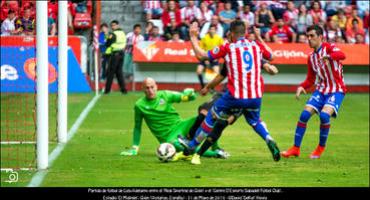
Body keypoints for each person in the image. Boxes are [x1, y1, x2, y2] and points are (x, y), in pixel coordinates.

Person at [182, 20, 280, 165]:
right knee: (254, 120)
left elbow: (201, 55)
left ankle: (192, 145)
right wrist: (259, 38)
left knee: (211, 115)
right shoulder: (256, 45)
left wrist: (193, 37)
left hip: (235, 95)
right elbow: (272, 56)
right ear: (245, 32)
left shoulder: (228, 47)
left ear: (232, 33)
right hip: (255, 96)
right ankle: (268, 138)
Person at [119, 77, 228, 159]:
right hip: (169, 137)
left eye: (152, 87)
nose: (150, 90)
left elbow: (188, 98)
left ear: (156, 86)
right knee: (180, 146)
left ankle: (215, 147)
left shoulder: (165, 95)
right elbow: (137, 127)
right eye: (147, 88)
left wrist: (189, 93)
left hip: (181, 126)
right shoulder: (139, 105)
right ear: (142, 89)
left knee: (208, 120)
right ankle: (215, 154)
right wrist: (134, 147)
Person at [281, 25, 346, 159]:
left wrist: (329, 57)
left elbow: (342, 55)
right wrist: (301, 86)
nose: (309, 39)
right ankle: (295, 148)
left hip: (336, 90)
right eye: (308, 36)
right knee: (304, 115)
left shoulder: (329, 47)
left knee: (324, 116)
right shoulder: (311, 57)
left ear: (320, 37)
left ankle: (320, 147)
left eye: (312, 36)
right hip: (321, 90)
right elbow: (310, 79)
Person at [104, 20, 128, 94]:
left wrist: (107, 36)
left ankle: (107, 90)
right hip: (122, 53)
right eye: (112, 25)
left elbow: (107, 44)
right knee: (119, 72)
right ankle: (123, 90)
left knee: (110, 72)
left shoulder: (113, 34)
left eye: (114, 25)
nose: (112, 27)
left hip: (115, 54)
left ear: (117, 25)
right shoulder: (123, 33)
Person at [196, 24, 223, 89]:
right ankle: (202, 86)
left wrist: (217, 58)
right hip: (205, 57)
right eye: (210, 29)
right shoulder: (204, 38)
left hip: (214, 58)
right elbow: (201, 49)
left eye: (213, 29)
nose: (212, 31)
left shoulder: (219, 38)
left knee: (217, 74)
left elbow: (222, 49)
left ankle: (212, 87)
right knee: (199, 71)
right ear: (208, 30)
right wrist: (205, 60)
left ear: (215, 31)